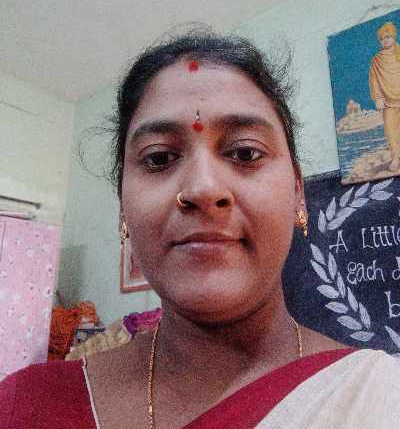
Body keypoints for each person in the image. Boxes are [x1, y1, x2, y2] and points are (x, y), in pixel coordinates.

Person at [1, 30, 400, 428]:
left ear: (298, 192)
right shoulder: (25, 406)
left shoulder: (379, 399)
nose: (203, 189)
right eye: (159, 158)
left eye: (245, 152)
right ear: (122, 205)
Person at [369, 21, 400, 171]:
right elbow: (374, 80)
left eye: (387, 37)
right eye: (382, 38)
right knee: (391, 131)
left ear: (393, 36)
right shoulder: (376, 60)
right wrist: (378, 97)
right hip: (388, 102)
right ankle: (395, 158)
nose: (385, 40)